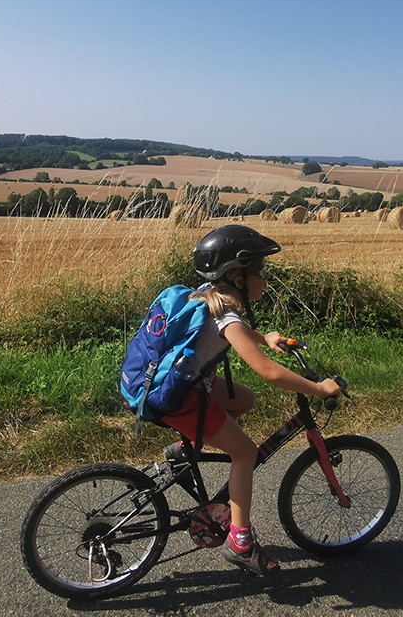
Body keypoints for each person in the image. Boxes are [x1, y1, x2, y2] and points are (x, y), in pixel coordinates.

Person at [158, 224, 341, 576]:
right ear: (237, 277)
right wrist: (318, 389)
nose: (264, 279)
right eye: (259, 272)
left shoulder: (207, 294)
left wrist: (264, 336)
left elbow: (231, 328)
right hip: (184, 399)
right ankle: (241, 543)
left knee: (244, 399)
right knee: (244, 453)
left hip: (174, 388)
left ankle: (186, 449)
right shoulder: (226, 312)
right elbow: (269, 372)